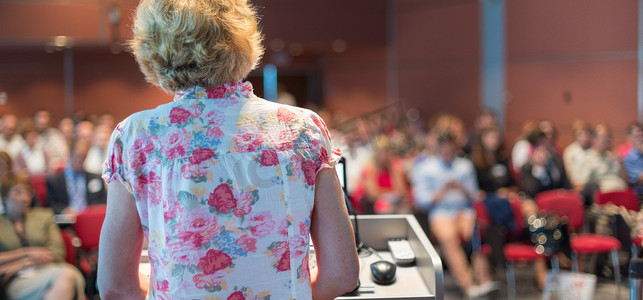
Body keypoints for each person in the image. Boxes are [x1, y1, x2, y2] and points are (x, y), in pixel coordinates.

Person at [97, 1, 359, 299]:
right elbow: (341, 275)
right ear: (242, 40)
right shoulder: (302, 129)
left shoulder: (136, 136)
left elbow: (115, 286)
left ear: (153, 49)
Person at [411, 130, 496, 298]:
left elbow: (474, 195)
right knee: (449, 236)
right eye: (444, 151)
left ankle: (484, 280)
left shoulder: (465, 165)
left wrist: (462, 188)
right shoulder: (425, 167)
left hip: (464, 210)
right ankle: (467, 285)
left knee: (476, 233)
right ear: (438, 148)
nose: (448, 154)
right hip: (440, 212)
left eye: (451, 150)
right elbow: (421, 201)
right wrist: (442, 191)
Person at [0, 174, 84, 300]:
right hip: (15, 281)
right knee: (67, 278)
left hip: (49, 270)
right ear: (5, 197)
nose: (24, 198)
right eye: (18, 192)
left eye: (28, 192)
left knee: (66, 277)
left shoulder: (44, 216)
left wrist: (23, 263)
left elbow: (56, 252)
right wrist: (28, 252)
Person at [46, 140, 107, 216]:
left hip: (88, 218)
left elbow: (103, 202)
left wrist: (90, 211)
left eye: (83, 156)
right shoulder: (55, 180)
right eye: (78, 156)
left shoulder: (96, 178)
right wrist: (64, 210)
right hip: (67, 220)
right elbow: (51, 204)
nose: (80, 160)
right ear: (70, 155)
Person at [572, 123, 627, 204]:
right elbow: (579, 187)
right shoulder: (585, 158)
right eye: (604, 137)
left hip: (623, 196)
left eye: (609, 137)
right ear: (594, 139)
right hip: (604, 202)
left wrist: (622, 164)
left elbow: (625, 181)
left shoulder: (612, 157)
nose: (607, 140)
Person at [519, 130, 570, 198]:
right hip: (537, 204)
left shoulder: (557, 161)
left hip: (558, 201)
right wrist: (539, 168)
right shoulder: (527, 168)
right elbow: (533, 191)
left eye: (545, 144)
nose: (543, 149)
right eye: (539, 146)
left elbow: (566, 186)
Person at [562, 120, 592, 185]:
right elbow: (570, 175)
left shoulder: (593, 150)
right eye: (580, 134)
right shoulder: (569, 151)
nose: (584, 138)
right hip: (576, 184)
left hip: (592, 183)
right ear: (575, 136)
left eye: (586, 134)